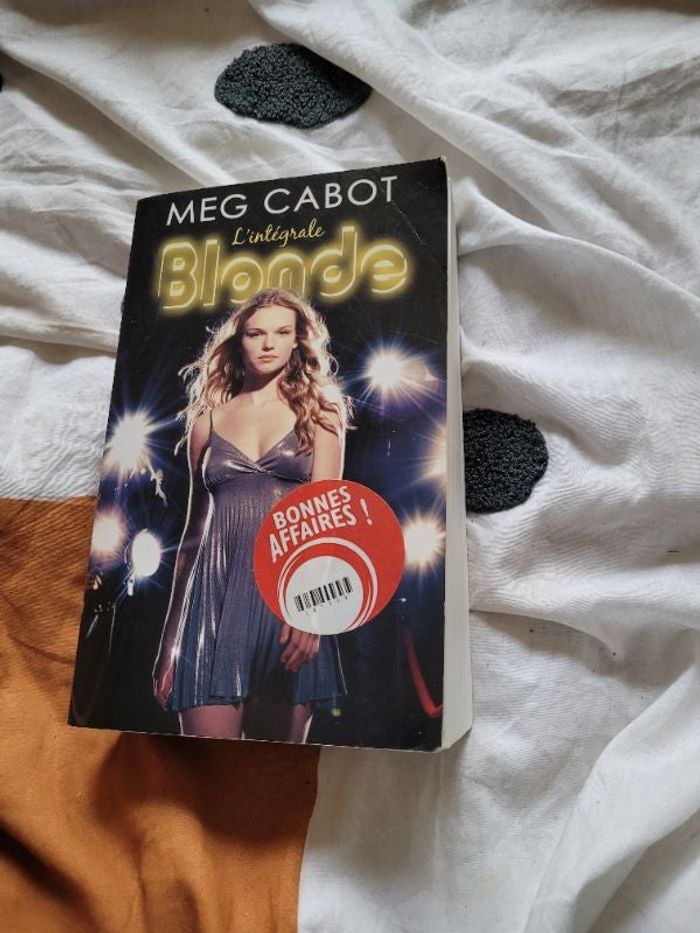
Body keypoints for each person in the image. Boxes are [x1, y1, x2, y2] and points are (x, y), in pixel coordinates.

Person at [152, 287, 348, 741]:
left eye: (281, 332)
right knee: (208, 770)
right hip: (212, 605)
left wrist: (312, 612)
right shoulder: (207, 422)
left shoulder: (321, 414)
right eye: (256, 333)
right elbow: (192, 537)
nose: (268, 344)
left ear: (298, 340)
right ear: (238, 340)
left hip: (289, 603)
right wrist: (170, 644)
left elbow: (328, 523)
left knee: (272, 772)